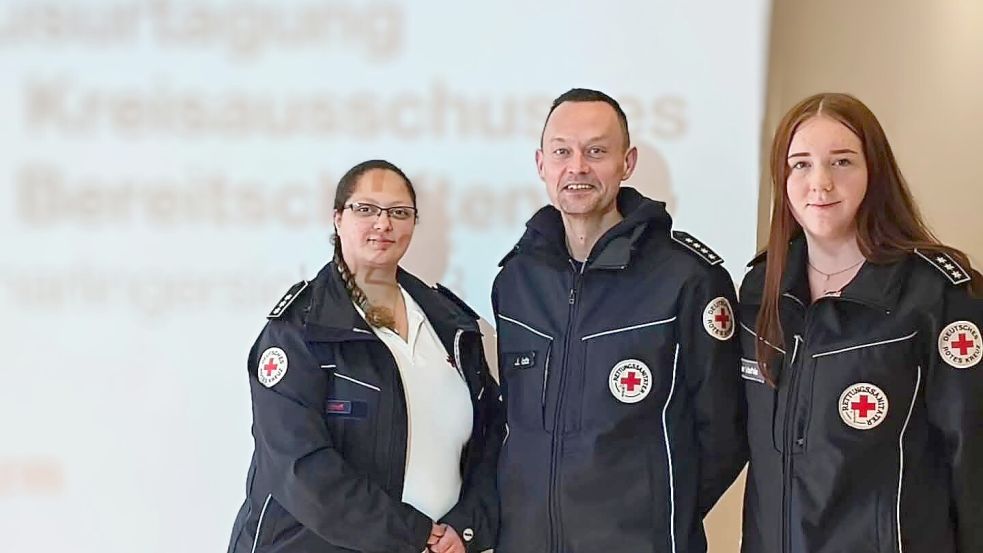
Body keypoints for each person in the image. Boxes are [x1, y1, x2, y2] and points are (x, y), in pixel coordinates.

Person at [491, 88, 747, 553]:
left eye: (596, 151)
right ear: (540, 164)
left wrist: (655, 513)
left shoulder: (688, 278)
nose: (578, 167)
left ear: (627, 163)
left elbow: (724, 433)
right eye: (562, 152)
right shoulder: (516, 280)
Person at [738, 92, 983, 553]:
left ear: (875, 172)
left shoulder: (939, 295)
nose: (821, 183)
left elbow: (971, 457)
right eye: (801, 164)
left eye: (842, 162)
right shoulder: (759, 291)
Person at [227, 160, 503, 553]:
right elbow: (300, 468)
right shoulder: (297, 330)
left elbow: (493, 440)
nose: (383, 224)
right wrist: (412, 535)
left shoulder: (452, 324)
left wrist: (466, 527)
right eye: (366, 209)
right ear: (337, 219)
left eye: (399, 212)